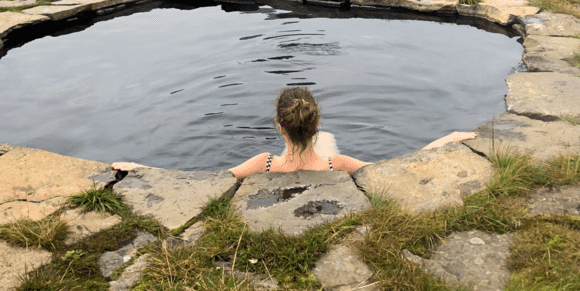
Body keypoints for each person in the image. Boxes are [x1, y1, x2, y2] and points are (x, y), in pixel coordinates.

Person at [112, 86, 476, 180]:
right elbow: (396, 168)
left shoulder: (263, 164)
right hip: (323, 155)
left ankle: (302, 138)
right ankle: (318, 136)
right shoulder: (339, 163)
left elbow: (204, 181)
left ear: (278, 126)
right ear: (312, 122)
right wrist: (444, 140)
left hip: (285, 158)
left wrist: (139, 168)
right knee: (329, 142)